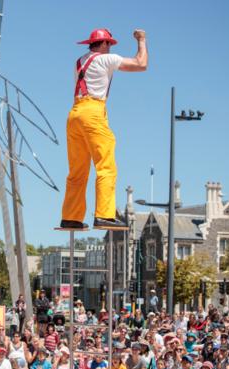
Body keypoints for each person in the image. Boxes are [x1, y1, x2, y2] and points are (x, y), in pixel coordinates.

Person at [60, 28, 147, 230]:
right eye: (110, 44)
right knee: (106, 166)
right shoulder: (104, 59)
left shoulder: (80, 61)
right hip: (93, 112)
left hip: (74, 114)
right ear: (105, 44)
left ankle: (70, 217)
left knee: (77, 171)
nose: (111, 48)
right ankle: (104, 215)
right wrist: (141, 40)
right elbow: (141, 64)